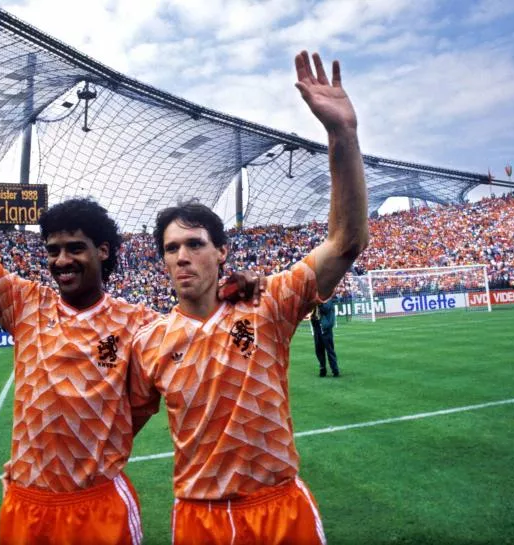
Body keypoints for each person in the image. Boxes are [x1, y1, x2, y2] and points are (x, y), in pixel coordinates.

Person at [0, 91, 260, 545]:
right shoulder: (25, 304)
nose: (61, 260)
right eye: (52, 251)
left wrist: (244, 285)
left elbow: (202, 328)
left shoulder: (141, 325)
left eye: (74, 248)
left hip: (98, 507)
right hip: (26, 506)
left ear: (102, 251)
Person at [129, 50, 369, 544]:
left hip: (278, 509)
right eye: (171, 248)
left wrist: (341, 135)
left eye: (195, 244)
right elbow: (115, 431)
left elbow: (346, 241)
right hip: (199, 519)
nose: (182, 256)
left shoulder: (269, 305)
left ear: (221, 252)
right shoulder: (149, 342)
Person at [311, 299, 339, 377]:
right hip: (316, 325)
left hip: (325, 326)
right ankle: (322, 369)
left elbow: (326, 308)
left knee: (329, 349)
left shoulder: (328, 299)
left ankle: (335, 370)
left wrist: (318, 302)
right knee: (319, 349)